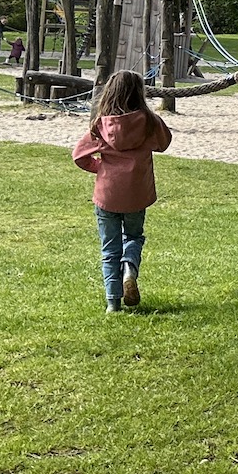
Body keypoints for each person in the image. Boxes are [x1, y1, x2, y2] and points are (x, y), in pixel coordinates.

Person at [71, 71, 174, 313]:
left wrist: (99, 167)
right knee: (134, 237)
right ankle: (129, 268)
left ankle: (112, 303)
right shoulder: (150, 121)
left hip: (107, 194)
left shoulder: (101, 124)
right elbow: (164, 143)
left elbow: (79, 156)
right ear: (140, 93)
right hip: (137, 193)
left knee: (109, 248)